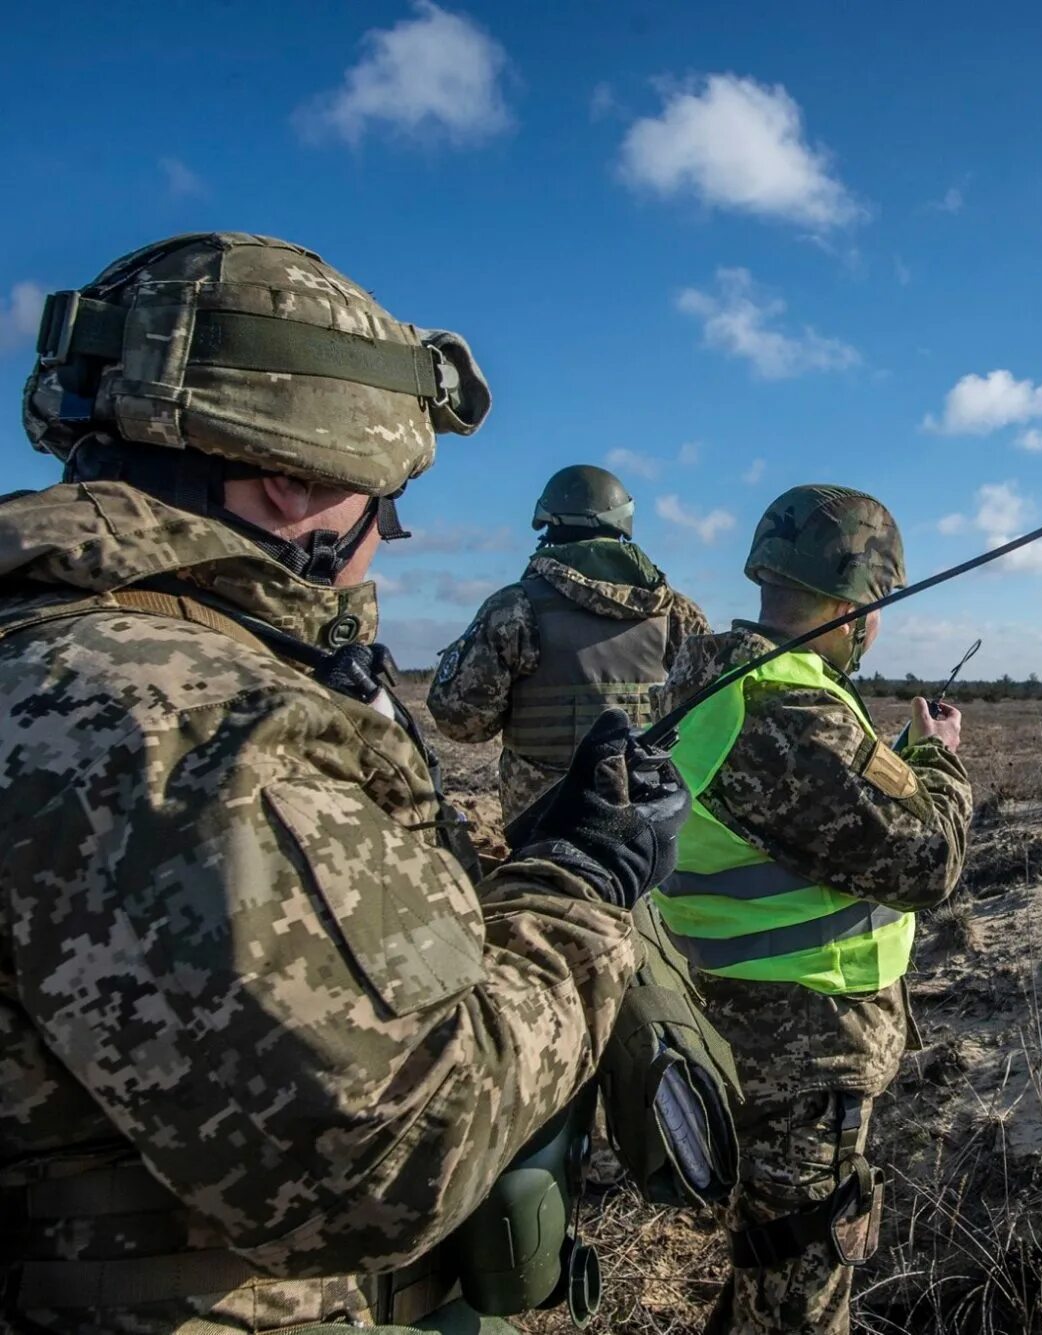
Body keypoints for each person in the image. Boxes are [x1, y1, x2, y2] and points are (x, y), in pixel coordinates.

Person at [0, 233, 688, 1334]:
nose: (385, 545)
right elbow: (392, 1157)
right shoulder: (192, 713)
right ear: (289, 475)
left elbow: (457, 716)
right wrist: (583, 885)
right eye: (384, 506)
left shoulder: (60, 652)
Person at [654, 485, 974, 1335]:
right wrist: (941, 764)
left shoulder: (722, 676)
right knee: (798, 1284)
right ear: (853, 604)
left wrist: (896, 765)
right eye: (877, 608)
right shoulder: (786, 706)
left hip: (739, 1023)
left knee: (769, 1258)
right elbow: (926, 859)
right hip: (799, 1043)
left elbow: (819, 816)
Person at [428, 464, 709, 823]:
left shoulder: (514, 608)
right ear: (623, 525)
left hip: (544, 823)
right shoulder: (677, 613)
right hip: (648, 819)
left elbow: (460, 721)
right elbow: (707, 720)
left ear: (548, 526)